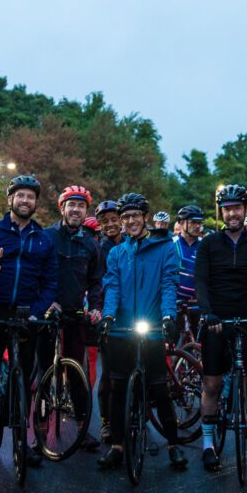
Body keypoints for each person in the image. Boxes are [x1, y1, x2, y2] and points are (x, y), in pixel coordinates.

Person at [0, 174, 59, 472]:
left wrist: (37, 311)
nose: (25, 201)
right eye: (21, 196)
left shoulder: (44, 238)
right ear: (10, 200)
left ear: (36, 203)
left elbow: (50, 281)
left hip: (26, 314)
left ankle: (22, 440)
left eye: (31, 197)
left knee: (25, 383)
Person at [97, 193, 187, 471]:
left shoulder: (164, 248)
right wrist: (109, 315)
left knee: (160, 388)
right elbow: (112, 286)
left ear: (145, 217)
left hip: (152, 327)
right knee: (117, 385)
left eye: (135, 216)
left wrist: (169, 316)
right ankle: (117, 445)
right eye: (125, 218)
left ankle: (173, 445)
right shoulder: (116, 252)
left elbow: (169, 284)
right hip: (122, 328)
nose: (130, 221)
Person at [195, 185, 247, 472]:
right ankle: (207, 446)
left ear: (245, 210)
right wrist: (207, 313)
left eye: (237, 208)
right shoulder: (208, 244)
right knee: (212, 384)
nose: (232, 213)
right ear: (221, 212)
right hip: (217, 320)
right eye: (227, 209)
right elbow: (200, 282)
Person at [45, 185, 104, 451]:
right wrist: (46, 302)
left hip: (75, 315)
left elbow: (96, 282)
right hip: (47, 313)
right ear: (62, 208)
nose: (76, 210)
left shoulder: (91, 244)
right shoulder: (47, 237)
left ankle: (82, 428)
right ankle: (39, 427)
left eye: (81, 206)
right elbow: (36, 274)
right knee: (42, 369)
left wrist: (95, 307)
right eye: (72, 205)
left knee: (77, 373)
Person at [94, 199, 122, 442]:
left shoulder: (134, 244)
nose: (110, 225)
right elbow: (96, 284)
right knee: (109, 373)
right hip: (108, 314)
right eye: (105, 222)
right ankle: (106, 421)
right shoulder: (98, 249)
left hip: (134, 312)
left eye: (114, 220)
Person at [173, 205, 204, 332]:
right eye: (193, 222)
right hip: (175, 304)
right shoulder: (171, 244)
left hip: (198, 305)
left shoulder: (205, 245)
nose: (197, 226)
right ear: (181, 223)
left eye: (199, 223)